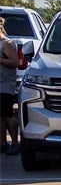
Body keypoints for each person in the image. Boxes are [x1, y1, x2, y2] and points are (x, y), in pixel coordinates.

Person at [0, 16, 21, 155]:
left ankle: (15, 142)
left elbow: (15, 62)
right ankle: (2, 143)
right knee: (0, 115)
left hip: (6, 85)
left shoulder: (7, 44)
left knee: (7, 114)